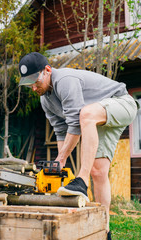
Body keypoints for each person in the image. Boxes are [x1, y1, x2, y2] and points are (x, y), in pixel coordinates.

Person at [18, 52, 138, 240]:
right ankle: (104, 230)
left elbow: (75, 122)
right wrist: (60, 165)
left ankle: (81, 180)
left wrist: (62, 158)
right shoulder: (45, 100)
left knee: (85, 114)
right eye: (29, 83)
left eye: (35, 80)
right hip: (100, 115)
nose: (33, 87)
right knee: (98, 172)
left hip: (122, 103)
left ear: (47, 70)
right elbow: (60, 129)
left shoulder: (65, 80)